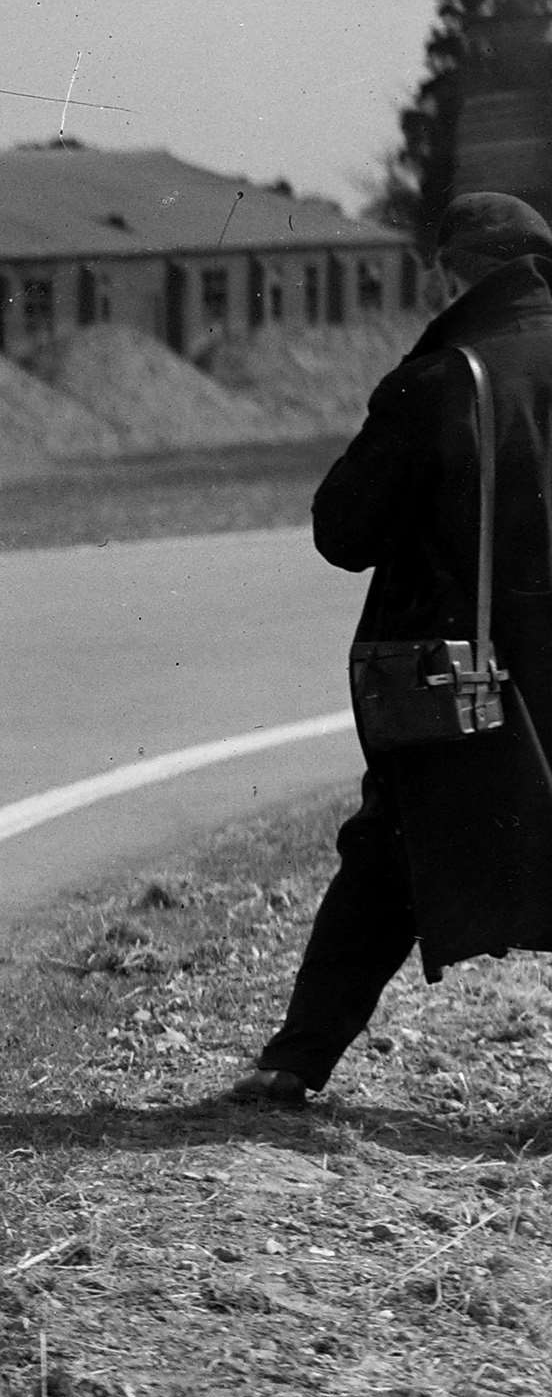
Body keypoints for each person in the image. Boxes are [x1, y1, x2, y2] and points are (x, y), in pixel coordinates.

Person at [233, 191, 552, 1107]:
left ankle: (294, 1064)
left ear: (452, 272)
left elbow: (344, 528)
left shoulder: (446, 379)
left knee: (393, 853)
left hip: (475, 683)